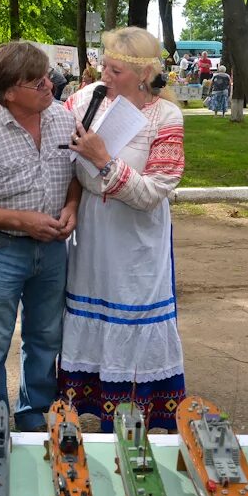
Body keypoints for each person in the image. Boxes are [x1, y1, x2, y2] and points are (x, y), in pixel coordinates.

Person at [0, 41, 80, 431]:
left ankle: (33, 413)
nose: (49, 86)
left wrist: (72, 207)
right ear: (7, 93)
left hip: (53, 250)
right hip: (2, 250)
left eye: (47, 78)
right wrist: (22, 221)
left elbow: (77, 177)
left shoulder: (64, 120)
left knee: (45, 338)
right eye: (37, 82)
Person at [59, 27, 186, 431]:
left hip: (137, 241)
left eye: (115, 70)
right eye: (104, 66)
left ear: (145, 73)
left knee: (132, 315)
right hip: (93, 236)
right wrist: (0, 109)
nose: (105, 76)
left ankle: (139, 413)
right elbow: (45, 127)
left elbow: (153, 192)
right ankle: (91, 404)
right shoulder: (83, 100)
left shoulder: (165, 116)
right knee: (91, 308)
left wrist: (103, 161)